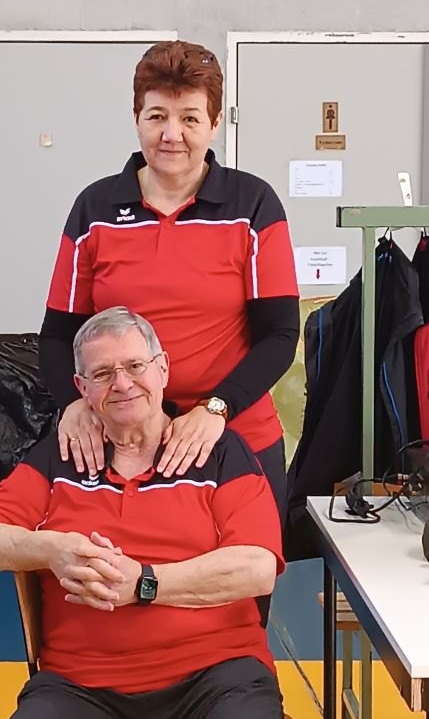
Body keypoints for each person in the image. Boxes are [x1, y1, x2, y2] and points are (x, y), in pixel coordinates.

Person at [0, 307, 285, 719]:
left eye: (135, 366)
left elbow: (257, 569)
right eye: (103, 373)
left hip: (218, 678)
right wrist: (50, 548)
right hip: (79, 688)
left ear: (163, 369)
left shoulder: (219, 453)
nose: (122, 384)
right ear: (81, 388)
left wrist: (144, 583)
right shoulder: (59, 458)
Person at [38, 40, 299, 522]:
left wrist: (216, 409)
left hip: (232, 438)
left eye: (190, 119)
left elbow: (280, 334)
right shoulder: (94, 209)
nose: (171, 135)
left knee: (244, 569)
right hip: (121, 443)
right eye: (156, 116)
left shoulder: (253, 205)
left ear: (215, 124)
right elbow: (56, 336)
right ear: (137, 117)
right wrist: (75, 405)